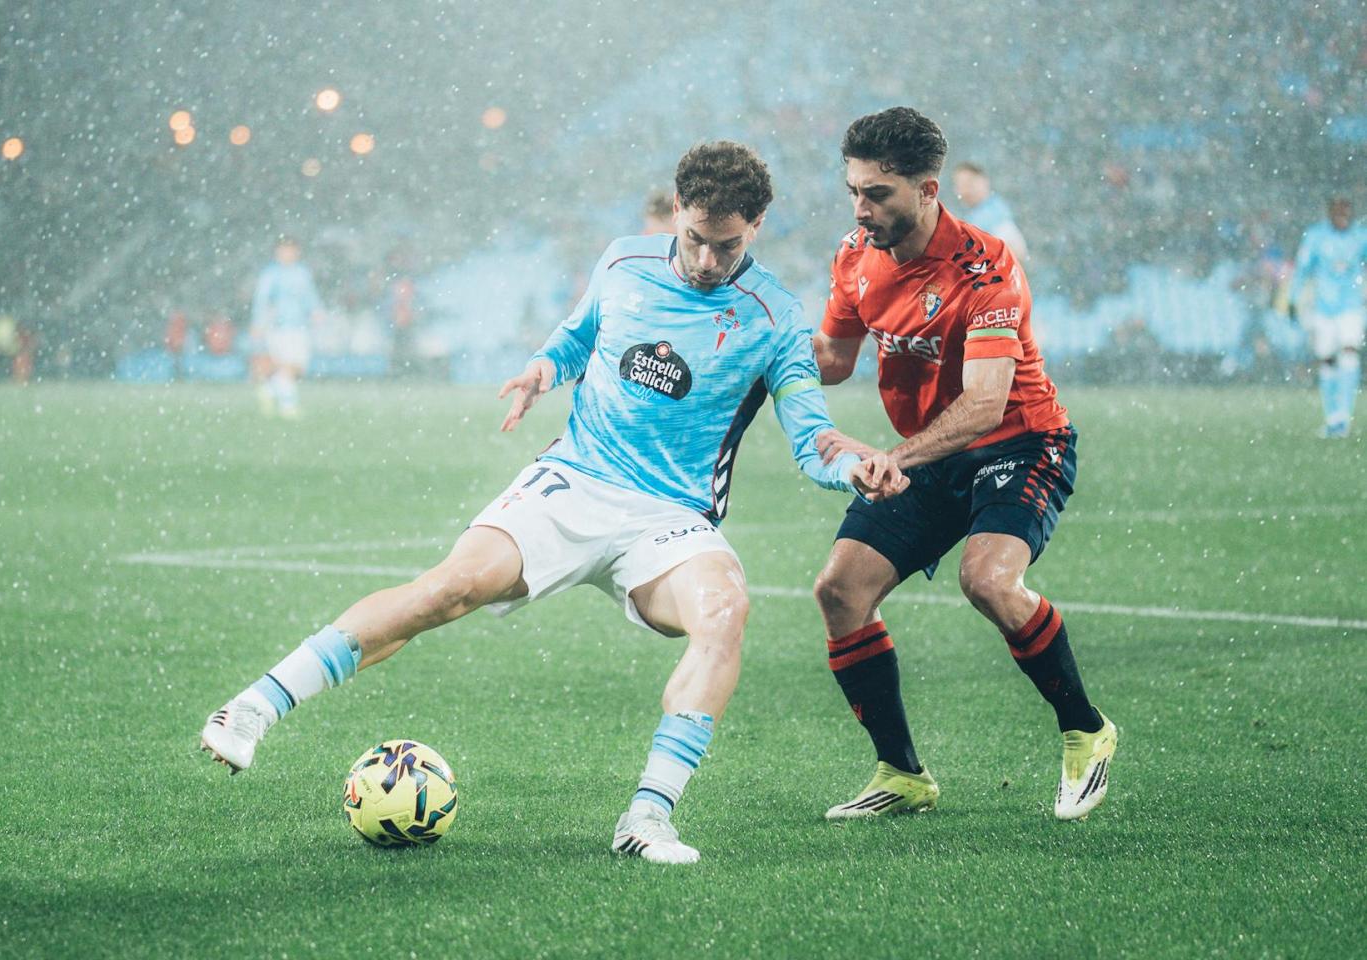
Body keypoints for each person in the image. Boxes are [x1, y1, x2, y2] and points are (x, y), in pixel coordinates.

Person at [201, 141, 907, 864]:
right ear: (675, 209)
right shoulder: (624, 262)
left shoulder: (775, 316)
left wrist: (853, 469)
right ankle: (254, 707)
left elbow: (811, 437)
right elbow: (578, 337)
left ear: (756, 225)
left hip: (670, 518)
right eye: (695, 237)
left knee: (724, 612)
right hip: (574, 479)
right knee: (448, 589)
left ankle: (647, 817)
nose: (705, 259)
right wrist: (544, 367)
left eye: (726, 245)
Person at [809, 107, 1116, 822]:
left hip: (1019, 442)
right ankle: (902, 773)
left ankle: (1086, 729)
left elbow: (983, 405)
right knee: (840, 592)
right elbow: (833, 360)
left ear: (928, 189)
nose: (860, 209)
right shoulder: (855, 255)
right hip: (929, 452)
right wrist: (756, 355)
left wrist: (893, 457)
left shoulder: (985, 267)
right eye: (853, 191)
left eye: (877, 194)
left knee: (988, 580)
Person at [1288, 198, 1367, 438]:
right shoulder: (1316, 236)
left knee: (1349, 354)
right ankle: (1332, 418)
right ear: (1330, 211)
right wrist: (1293, 299)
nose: (1342, 214)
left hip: (1351, 306)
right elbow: (1302, 269)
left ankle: (1343, 417)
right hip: (1323, 307)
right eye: (1338, 209)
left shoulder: (1360, 236)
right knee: (1327, 361)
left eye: (1346, 209)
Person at [250, 238, 322, 418]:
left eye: (291, 250)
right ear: (278, 252)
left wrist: (316, 311)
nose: (287, 254)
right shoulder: (271, 274)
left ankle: (269, 390)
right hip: (279, 327)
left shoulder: (302, 273)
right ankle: (288, 406)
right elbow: (262, 300)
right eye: (284, 250)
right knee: (287, 365)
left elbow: (309, 296)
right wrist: (258, 323)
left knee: (297, 367)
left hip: (300, 326)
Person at [952, 162, 1029, 264]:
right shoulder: (973, 215)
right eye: (960, 186)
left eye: (969, 183)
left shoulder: (994, 214)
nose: (964, 190)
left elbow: (1016, 251)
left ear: (984, 181)